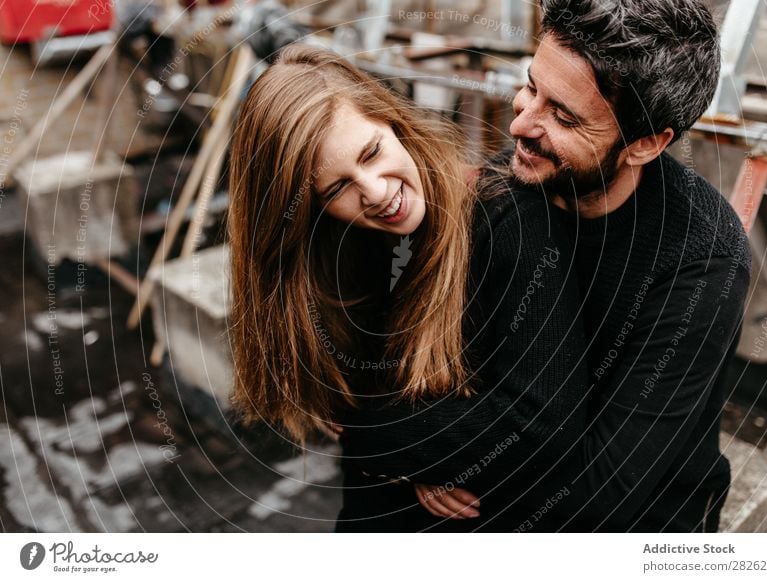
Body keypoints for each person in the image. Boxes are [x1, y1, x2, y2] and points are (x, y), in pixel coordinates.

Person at [341, 0, 751, 532]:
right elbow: (435, 366)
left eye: (563, 116)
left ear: (646, 145)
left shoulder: (702, 263)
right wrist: (424, 453)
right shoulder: (505, 188)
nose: (521, 121)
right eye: (531, 86)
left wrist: (421, 450)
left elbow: (604, 494)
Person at [226, 44, 588, 532]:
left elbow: (538, 423)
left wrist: (388, 445)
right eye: (336, 189)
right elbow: (343, 391)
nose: (375, 192)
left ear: (392, 118)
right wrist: (414, 457)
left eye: (372, 152)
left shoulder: (508, 218)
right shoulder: (337, 251)